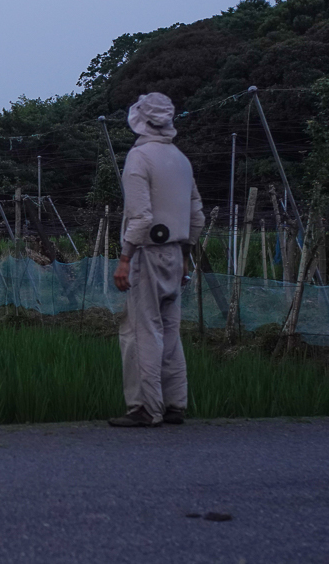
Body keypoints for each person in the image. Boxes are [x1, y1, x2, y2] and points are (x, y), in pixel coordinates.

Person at [109, 92, 204, 427]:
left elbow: (141, 217)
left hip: (147, 251)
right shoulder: (180, 159)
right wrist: (186, 256)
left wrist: (124, 258)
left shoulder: (139, 158)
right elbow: (197, 216)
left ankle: (147, 409)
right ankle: (176, 404)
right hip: (176, 250)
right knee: (170, 329)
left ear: (140, 119)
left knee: (142, 328)